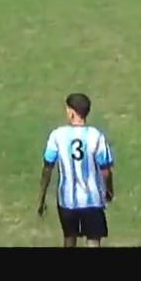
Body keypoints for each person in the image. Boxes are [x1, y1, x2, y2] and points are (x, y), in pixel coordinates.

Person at [36, 93, 115, 248]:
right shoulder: (96, 136)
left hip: (67, 200)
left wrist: (41, 197)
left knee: (69, 238)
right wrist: (109, 190)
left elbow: (47, 168)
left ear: (72, 112)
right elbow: (106, 170)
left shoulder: (57, 135)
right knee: (93, 240)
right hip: (92, 199)